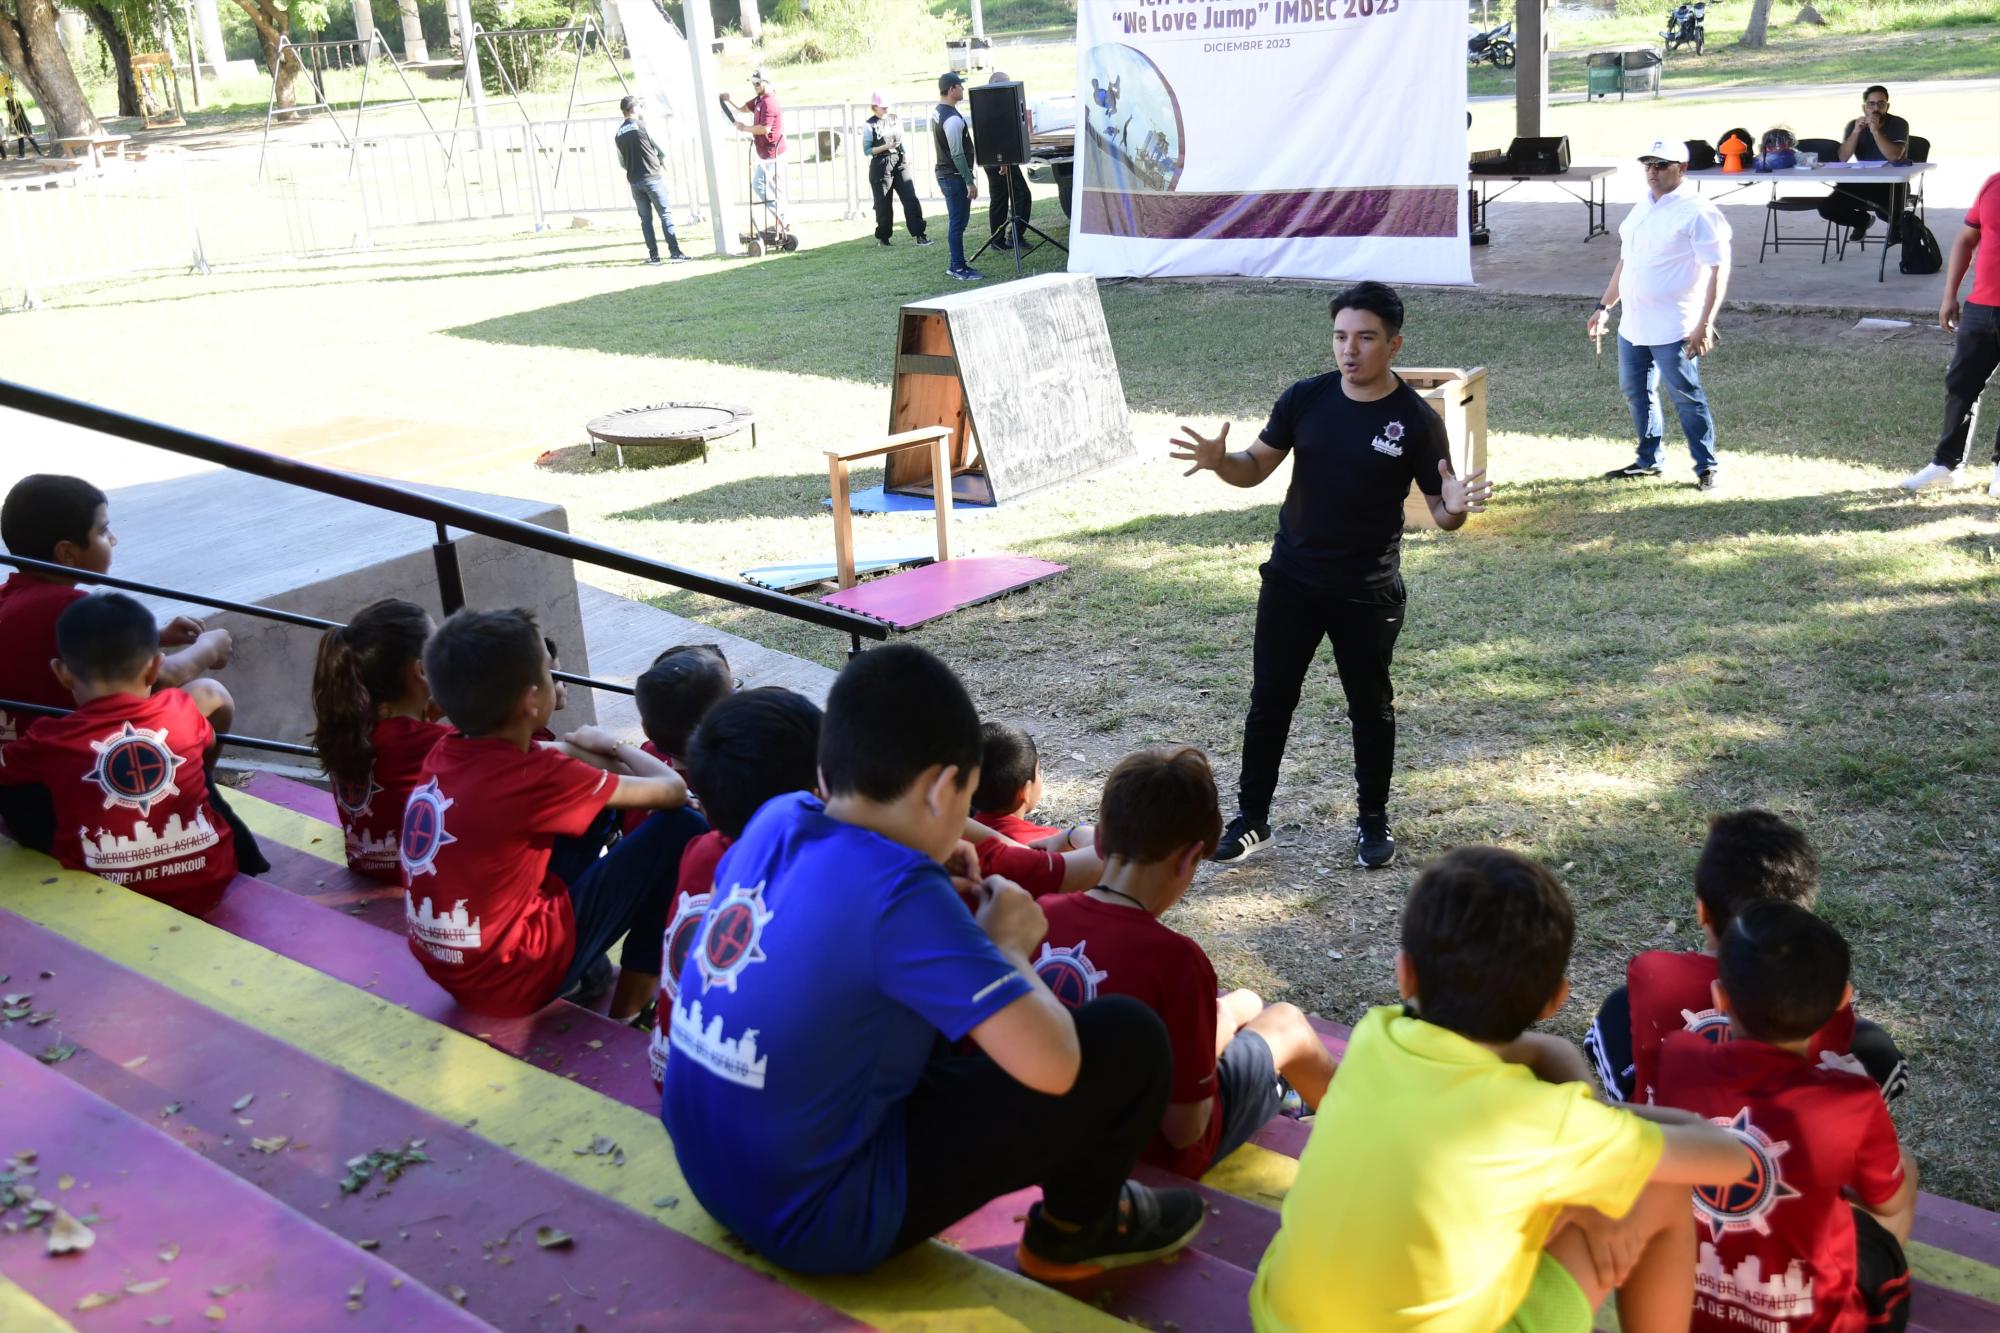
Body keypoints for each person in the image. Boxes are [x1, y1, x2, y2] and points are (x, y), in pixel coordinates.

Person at [661, 643, 1205, 1280]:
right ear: (946, 789)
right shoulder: (902, 897)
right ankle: (1073, 1230)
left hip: (707, 1169)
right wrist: (1005, 947)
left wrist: (926, 877)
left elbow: (834, 923)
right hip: (817, 1222)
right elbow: (1056, 1069)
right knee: (1126, 1038)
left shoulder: (779, 817)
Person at [1250, 846, 1755, 1333]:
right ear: (1555, 1000)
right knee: (1660, 1186)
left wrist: (1585, 1115)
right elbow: (1730, 1158)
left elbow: (1529, 1056)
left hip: (1281, 1321)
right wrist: (1602, 1129)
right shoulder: (1543, 1120)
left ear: (1405, 974)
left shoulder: (1376, 1034)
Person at [1170, 282, 1491, 869]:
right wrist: (1221, 463)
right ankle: (1252, 819)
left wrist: (1456, 503)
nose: (1350, 350)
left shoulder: (1416, 422)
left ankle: (1373, 822)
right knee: (1270, 700)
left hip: (1366, 592)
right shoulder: (1305, 399)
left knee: (1371, 709)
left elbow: (1444, 515)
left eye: (1366, 338)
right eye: (1341, 336)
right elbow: (1254, 468)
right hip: (1291, 580)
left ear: (1393, 344)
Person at [1035, 745, 1338, 1180]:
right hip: (1154, 1157)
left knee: (1242, 1006)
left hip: (1048, 1130)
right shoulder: (1177, 960)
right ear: (1189, 857)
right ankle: (1366, 1137)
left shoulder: (1040, 915)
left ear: (1099, 839)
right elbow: (1184, 1129)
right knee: (1286, 1021)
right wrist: (1224, 1028)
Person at [400, 608, 703, 1022]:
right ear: (531, 699)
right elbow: (671, 791)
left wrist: (586, 752)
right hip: (514, 981)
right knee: (682, 827)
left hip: (450, 965)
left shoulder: (446, 748)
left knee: (596, 811)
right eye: (547, 672)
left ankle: (585, 971)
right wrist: (614, 747)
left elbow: (560, 753)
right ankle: (631, 1009)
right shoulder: (536, 777)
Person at [1656, 901, 1918, 1333]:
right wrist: (1854, 1086)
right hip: (1815, 1321)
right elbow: (1886, 1201)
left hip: (1687, 1311)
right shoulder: (1851, 1098)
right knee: (1902, 1166)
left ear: (1721, 998)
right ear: (1843, 1002)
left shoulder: (1680, 1058)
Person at [1583, 810, 1908, 1108]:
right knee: (1876, 1049)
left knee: (1616, 1012)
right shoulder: (1821, 987)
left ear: (1702, 911)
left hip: (1677, 1147)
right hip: (1791, 1147)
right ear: (1804, 912)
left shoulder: (1653, 975)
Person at [0, 593, 244, 916]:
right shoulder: (181, 710)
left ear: (62, 674)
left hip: (104, 894)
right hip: (209, 881)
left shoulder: (49, 739)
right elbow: (212, 718)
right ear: (157, 666)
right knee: (208, 698)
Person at [649, 685, 823, 1087]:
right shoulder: (806, 876)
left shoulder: (702, 850)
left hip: (672, 1075)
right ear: (813, 794)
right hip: (753, 1103)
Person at [1, 474, 232, 744]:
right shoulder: (68, 605)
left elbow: (52, 642)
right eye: (102, 531)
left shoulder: (11, 597)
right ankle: (188, 786)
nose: (113, 540)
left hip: (18, 757)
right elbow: (157, 679)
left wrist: (157, 637)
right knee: (212, 694)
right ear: (66, 553)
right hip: (70, 758)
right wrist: (209, 648)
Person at [1589, 138, 1732, 491]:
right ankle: (1649, 460)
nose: (1652, 172)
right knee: (1636, 392)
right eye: (1648, 165)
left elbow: (1718, 268)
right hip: (1633, 326)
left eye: (1661, 165)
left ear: (1681, 169)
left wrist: (1705, 323)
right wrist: (1604, 307)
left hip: (1676, 326)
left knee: (1685, 396)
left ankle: (1706, 467)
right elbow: (1627, 261)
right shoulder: (1641, 207)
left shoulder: (1698, 211)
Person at [309, 598, 448, 883]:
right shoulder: (427, 741)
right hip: (418, 881)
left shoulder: (352, 727)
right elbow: (518, 754)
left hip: (368, 868)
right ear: (420, 671)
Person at [1902, 169, 2000, 498]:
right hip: (1980, 308)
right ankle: (1945, 466)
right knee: (1960, 386)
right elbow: (1966, 240)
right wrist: (1949, 296)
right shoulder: (1992, 182)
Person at [970, 720, 1092, 853]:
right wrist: (1074, 833)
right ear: (1025, 791)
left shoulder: (954, 840)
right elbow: (1102, 851)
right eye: (1038, 772)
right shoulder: (1052, 843)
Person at [1826, 84, 1912, 240]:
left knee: (1891, 213)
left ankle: (1898, 228)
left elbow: (1894, 156)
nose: (1876, 108)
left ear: (1887, 106)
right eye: (1871, 104)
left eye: (1881, 103)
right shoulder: (1855, 125)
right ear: (1864, 107)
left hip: (1891, 184)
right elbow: (1842, 158)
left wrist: (1875, 131)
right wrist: (1856, 132)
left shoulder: (1899, 124)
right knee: (1828, 208)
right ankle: (1862, 221)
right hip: (1863, 180)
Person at [614, 95, 689, 266]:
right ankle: (675, 252)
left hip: (634, 181)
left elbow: (622, 162)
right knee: (665, 215)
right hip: (652, 178)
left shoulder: (618, 134)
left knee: (645, 220)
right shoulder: (643, 126)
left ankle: (654, 256)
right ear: (634, 109)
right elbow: (660, 149)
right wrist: (658, 160)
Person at [729, 69, 793, 241]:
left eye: (758, 83)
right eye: (753, 83)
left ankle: (782, 218)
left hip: (773, 154)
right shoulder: (759, 99)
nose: (755, 86)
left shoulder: (770, 102)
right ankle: (782, 224)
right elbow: (743, 107)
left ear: (766, 82)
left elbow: (765, 128)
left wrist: (744, 128)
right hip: (767, 153)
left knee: (759, 184)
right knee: (776, 189)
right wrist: (728, 100)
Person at [862, 91, 929, 248]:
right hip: (880, 164)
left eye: (887, 107)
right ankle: (884, 238)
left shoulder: (894, 118)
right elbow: (867, 150)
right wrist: (887, 146)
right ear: (875, 107)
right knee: (883, 204)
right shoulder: (869, 125)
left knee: (910, 198)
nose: (886, 110)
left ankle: (920, 234)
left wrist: (905, 153)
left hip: (899, 161)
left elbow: (901, 139)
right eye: (883, 107)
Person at [931, 71, 982, 282]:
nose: (962, 89)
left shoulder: (939, 111)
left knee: (957, 221)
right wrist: (969, 181)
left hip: (946, 174)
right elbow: (957, 153)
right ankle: (957, 267)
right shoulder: (952, 119)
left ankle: (957, 264)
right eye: (960, 86)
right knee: (958, 222)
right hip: (953, 176)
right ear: (952, 90)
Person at [982, 71, 1034, 252]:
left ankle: (997, 240)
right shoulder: (994, 104)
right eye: (1006, 82)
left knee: (1000, 198)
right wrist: (1003, 161)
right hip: (1001, 159)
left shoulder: (986, 102)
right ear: (996, 84)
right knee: (1021, 195)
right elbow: (995, 133)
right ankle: (1014, 236)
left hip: (995, 158)